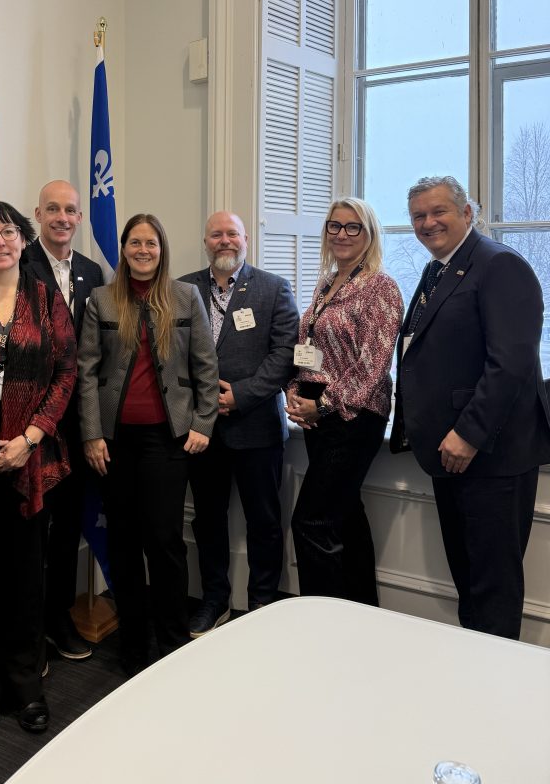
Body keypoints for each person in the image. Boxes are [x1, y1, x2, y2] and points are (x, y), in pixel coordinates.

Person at [390, 174, 550, 639]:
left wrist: (469, 434)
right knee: (469, 581)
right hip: (450, 454)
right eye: (418, 215)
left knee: (492, 587)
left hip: (490, 453)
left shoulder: (500, 265)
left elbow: (511, 362)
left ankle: (497, 695)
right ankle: (471, 685)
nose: (427, 223)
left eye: (438, 211)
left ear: (467, 212)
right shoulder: (438, 268)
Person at [0, 201, 77, 735]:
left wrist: (30, 439)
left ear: (24, 240)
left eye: (7, 231)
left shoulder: (46, 297)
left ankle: (27, 686)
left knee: (29, 578)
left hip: (31, 460)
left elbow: (67, 372)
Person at [78, 213, 218, 674]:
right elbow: (87, 371)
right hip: (115, 443)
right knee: (122, 543)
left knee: (164, 542)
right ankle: (134, 646)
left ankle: (174, 642)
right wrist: (93, 433)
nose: (143, 251)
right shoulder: (101, 299)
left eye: (151, 244)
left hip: (167, 440)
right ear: (123, 249)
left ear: (162, 250)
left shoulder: (185, 296)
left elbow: (205, 366)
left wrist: (203, 421)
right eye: (135, 243)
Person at [180, 211, 300, 637]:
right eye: (216, 234)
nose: (224, 241)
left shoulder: (273, 288)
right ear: (206, 241)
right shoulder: (183, 288)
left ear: (246, 239)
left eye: (232, 233)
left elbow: (284, 354)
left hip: (257, 428)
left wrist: (242, 394)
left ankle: (262, 603)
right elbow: (171, 355)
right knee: (207, 519)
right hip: (201, 430)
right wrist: (206, 401)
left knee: (264, 520)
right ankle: (213, 600)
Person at [285, 198, 403, 605]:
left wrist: (324, 403)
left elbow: (373, 365)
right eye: (335, 226)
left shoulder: (380, 287)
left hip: (355, 418)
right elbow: (310, 350)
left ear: (369, 234)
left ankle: (323, 625)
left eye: (353, 227)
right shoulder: (326, 282)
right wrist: (296, 393)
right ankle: (362, 614)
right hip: (320, 415)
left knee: (311, 522)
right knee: (346, 518)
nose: (342, 234)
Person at [24, 179, 104, 661]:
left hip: (78, 426)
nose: (62, 217)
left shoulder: (93, 272)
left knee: (70, 528)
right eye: (52, 209)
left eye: (70, 210)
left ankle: (59, 620)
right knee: (34, 535)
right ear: (38, 214)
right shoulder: (19, 264)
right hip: (33, 425)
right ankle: (30, 635)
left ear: (79, 218)